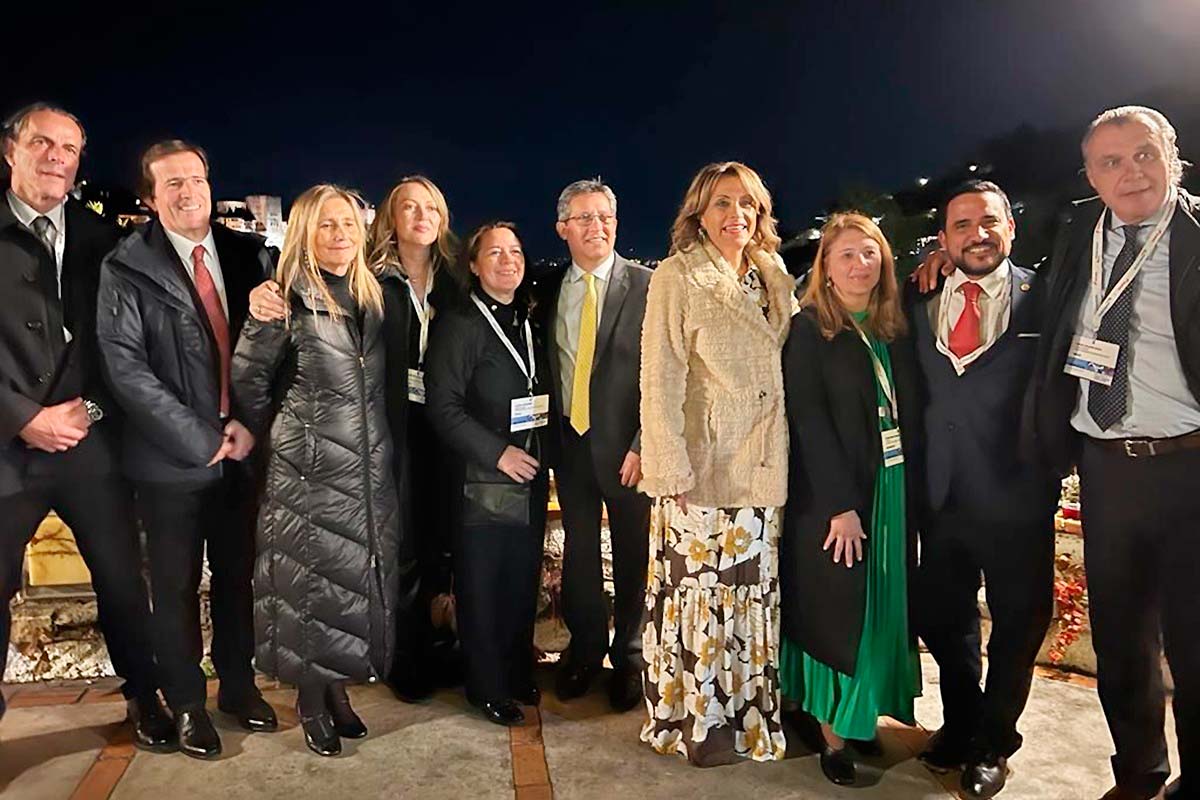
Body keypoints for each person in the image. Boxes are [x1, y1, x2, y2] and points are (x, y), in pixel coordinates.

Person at [1027, 105, 1200, 800]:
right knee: (1122, 642)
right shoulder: (1077, 232)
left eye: (1144, 154)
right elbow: (1022, 288)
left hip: (1189, 466)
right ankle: (1138, 773)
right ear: (1091, 177)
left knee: (1196, 645)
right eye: (1111, 162)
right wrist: (940, 262)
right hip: (1104, 469)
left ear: (1174, 157)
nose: (1131, 172)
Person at [249, 175, 463, 700]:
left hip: (428, 432)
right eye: (408, 207)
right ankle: (390, 665)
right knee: (381, 553)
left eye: (431, 207)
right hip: (364, 435)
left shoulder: (449, 281)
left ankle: (432, 653)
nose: (421, 216)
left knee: (431, 546)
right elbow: (256, 378)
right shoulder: (362, 280)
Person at [97, 139, 277, 759]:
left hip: (241, 450)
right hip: (169, 458)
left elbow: (271, 352)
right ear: (150, 198)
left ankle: (238, 687)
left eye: (196, 179)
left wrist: (248, 425)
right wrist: (201, 439)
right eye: (171, 183)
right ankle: (187, 703)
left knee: (237, 578)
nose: (188, 192)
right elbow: (126, 370)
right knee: (173, 587)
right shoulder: (127, 266)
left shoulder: (250, 254)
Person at [0, 103, 167, 749]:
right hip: (6, 451)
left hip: (89, 447)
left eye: (69, 148)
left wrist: (87, 413)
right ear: (10, 150)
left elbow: (124, 349)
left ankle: (144, 696)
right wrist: (24, 418)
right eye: (42, 143)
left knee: (123, 580)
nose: (56, 157)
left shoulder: (106, 242)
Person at [232, 184, 407, 757]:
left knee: (347, 584)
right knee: (309, 587)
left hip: (364, 466)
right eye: (327, 225)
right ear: (305, 232)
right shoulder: (283, 298)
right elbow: (249, 381)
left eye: (349, 225)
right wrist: (287, 439)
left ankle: (337, 690)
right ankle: (310, 699)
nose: (340, 235)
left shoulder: (371, 297)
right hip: (307, 468)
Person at [907, 181, 1059, 799]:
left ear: (1010, 227)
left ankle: (994, 742)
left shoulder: (1046, 298)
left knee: (1018, 627)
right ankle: (962, 721)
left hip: (1018, 496)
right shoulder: (918, 298)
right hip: (941, 496)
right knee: (944, 622)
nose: (978, 235)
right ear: (943, 238)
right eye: (962, 225)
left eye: (989, 222)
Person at [638, 161, 793, 765]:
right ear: (699, 213)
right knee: (700, 599)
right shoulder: (677, 276)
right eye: (723, 203)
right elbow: (659, 378)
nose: (737, 215)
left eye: (748, 203)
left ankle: (749, 718)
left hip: (763, 464)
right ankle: (698, 722)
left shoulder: (773, 274)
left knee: (751, 597)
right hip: (701, 469)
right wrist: (669, 468)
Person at [779, 212, 921, 786]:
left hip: (891, 489)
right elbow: (808, 421)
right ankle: (832, 734)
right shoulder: (810, 329)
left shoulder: (894, 325)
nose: (860, 264)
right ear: (826, 267)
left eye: (870, 253)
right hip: (836, 499)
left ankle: (863, 713)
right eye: (846, 255)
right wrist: (839, 505)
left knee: (880, 607)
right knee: (837, 616)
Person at [532, 179, 652, 711]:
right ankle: (584, 652)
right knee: (580, 556)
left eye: (605, 216)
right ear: (562, 228)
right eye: (583, 217)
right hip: (571, 445)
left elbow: (666, 373)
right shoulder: (547, 290)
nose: (596, 226)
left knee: (632, 556)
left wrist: (645, 443)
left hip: (631, 452)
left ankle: (630, 658)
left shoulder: (648, 286)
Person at [425, 222, 549, 727]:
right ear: (473, 266)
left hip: (528, 476)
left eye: (515, 251)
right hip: (483, 478)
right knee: (483, 584)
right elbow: (443, 407)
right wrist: (498, 454)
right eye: (494, 253)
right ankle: (487, 686)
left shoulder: (526, 319)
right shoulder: (460, 325)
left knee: (521, 578)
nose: (507, 261)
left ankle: (516, 670)